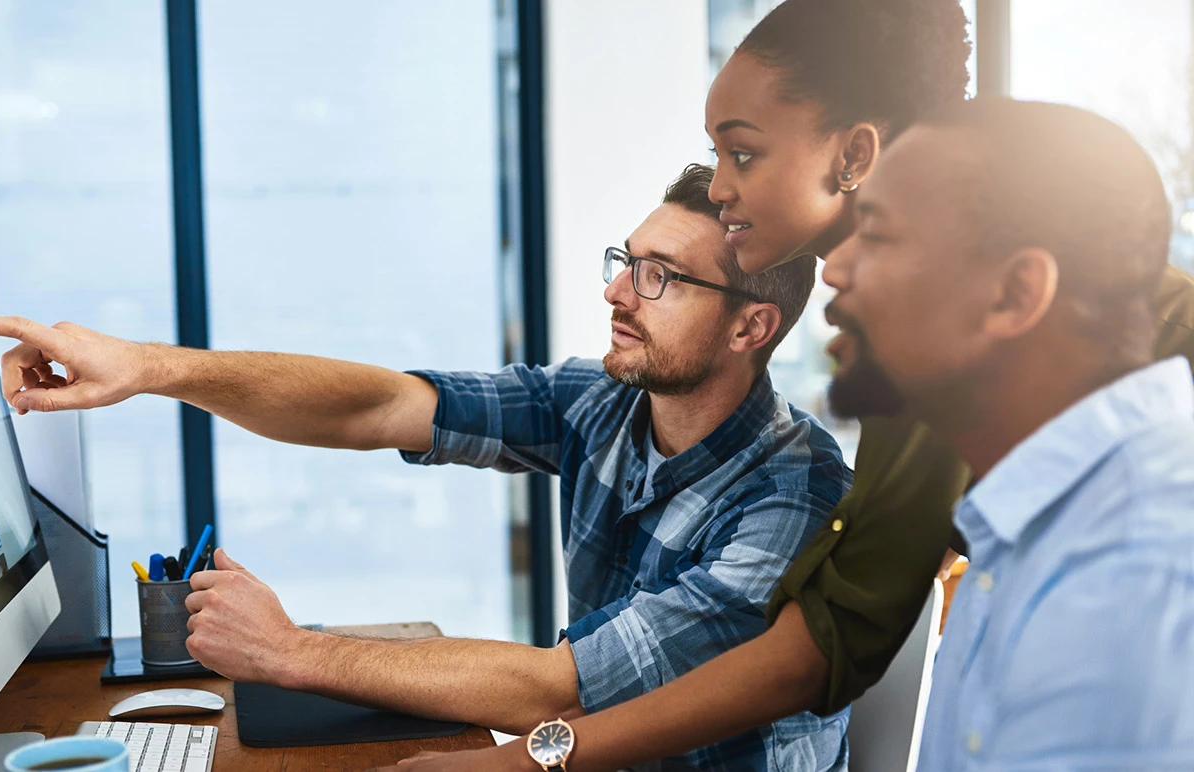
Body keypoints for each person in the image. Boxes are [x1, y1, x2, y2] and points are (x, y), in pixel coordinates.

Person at [375, 0, 1194, 768]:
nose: (720, 184)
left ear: (854, 157)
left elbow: (824, 643)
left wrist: (535, 759)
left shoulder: (983, 389)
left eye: (743, 151)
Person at [0, 165, 856, 771]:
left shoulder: (792, 497)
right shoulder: (606, 401)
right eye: (628, 261)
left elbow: (557, 683)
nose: (618, 291)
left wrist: (291, 650)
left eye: (662, 276)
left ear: (751, 328)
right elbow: (382, 404)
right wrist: (154, 370)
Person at [830, 99, 1194, 768]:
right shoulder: (1037, 522)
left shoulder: (1135, 574)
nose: (835, 269)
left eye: (876, 236)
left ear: (1015, 294)